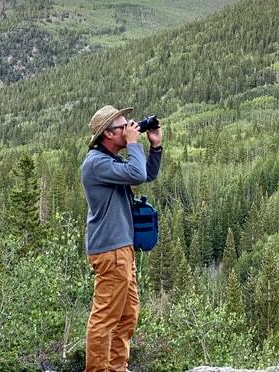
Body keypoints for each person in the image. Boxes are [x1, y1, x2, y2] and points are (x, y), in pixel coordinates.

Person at [81, 105, 163, 372]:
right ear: (107, 133)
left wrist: (156, 148)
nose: (129, 129)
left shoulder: (111, 161)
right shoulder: (97, 164)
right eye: (123, 126)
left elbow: (145, 174)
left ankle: (117, 368)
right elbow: (136, 174)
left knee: (127, 316)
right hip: (111, 250)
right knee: (105, 318)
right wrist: (134, 144)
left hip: (122, 249)